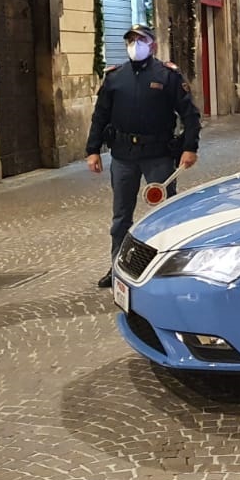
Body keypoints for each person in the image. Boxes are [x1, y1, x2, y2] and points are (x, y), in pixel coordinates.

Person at [86, 25, 202, 288]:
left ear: (153, 46)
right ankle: (117, 267)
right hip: (123, 156)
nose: (135, 44)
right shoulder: (115, 77)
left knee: (165, 214)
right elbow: (100, 116)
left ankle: (166, 266)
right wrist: (92, 150)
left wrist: (190, 147)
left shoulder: (167, 76)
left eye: (141, 40)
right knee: (120, 217)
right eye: (130, 40)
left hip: (158, 155)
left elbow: (189, 115)